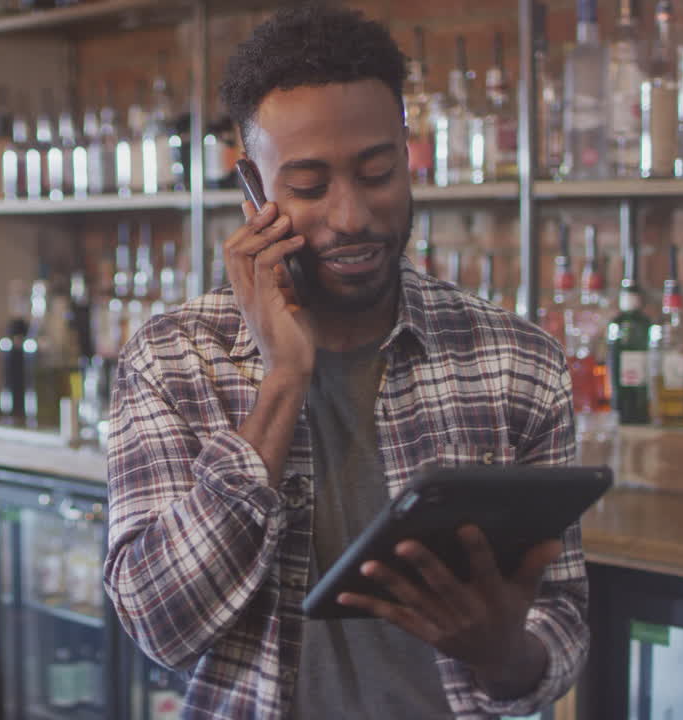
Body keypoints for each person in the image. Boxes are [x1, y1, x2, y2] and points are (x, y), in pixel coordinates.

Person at [102, 5, 588, 719]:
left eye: (378, 171)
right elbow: (158, 625)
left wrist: (503, 654)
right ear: (253, 191)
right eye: (307, 186)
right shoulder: (174, 360)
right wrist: (283, 382)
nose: (353, 214)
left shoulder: (517, 360)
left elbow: (563, 615)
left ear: (408, 154)